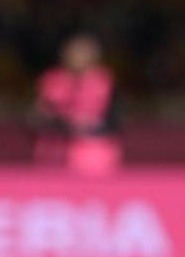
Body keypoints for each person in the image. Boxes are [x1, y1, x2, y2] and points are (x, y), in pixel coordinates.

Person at [30, 31, 121, 175]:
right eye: (73, 52)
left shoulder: (104, 81)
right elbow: (37, 116)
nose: (77, 57)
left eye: (83, 52)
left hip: (94, 151)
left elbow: (113, 122)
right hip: (53, 148)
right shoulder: (52, 80)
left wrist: (86, 126)